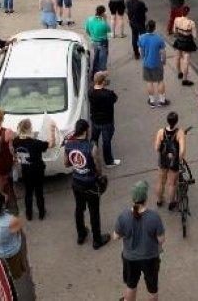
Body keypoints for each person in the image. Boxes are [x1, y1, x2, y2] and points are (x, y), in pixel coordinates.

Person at [109, 180, 165, 301]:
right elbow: (161, 240)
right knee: (152, 288)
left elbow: (116, 236)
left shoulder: (123, 216)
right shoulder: (154, 217)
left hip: (130, 258)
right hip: (150, 258)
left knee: (131, 284)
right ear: (146, 197)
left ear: (132, 197)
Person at [64, 118, 109, 250]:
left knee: (79, 208)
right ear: (86, 130)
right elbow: (98, 167)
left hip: (76, 182)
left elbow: (66, 164)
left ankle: (81, 235)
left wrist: (77, 166)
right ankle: (97, 240)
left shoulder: (68, 145)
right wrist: (99, 177)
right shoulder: (91, 147)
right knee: (94, 212)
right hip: (90, 184)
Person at [0, 191, 27, 295]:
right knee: (10, 277)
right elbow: (18, 232)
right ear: (3, 206)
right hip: (10, 253)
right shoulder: (11, 220)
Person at [14, 118, 54, 221]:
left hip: (26, 170)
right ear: (29, 129)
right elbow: (51, 144)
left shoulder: (16, 141)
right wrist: (52, 130)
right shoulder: (36, 143)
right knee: (39, 192)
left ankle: (29, 214)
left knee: (28, 193)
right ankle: (41, 213)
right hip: (37, 171)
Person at [152, 110, 186, 210]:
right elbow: (182, 149)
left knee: (161, 181)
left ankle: (159, 200)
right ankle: (172, 202)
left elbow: (157, 147)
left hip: (163, 160)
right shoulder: (180, 133)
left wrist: (163, 153)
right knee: (172, 183)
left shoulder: (161, 132)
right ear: (176, 121)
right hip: (174, 160)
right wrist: (178, 159)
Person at [89, 71, 120, 167]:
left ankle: (91, 157)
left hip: (95, 120)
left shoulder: (90, 92)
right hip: (107, 121)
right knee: (106, 141)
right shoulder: (108, 94)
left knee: (94, 139)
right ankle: (109, 161)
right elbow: (115, 99)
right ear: (103, 82)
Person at [138, 20, 169, 107]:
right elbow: (163, 52)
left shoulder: (141, 37)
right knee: (160, 81)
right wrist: (164, 61)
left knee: (149, 81)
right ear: (154, 28)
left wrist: (143, 58)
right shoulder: (159, 38)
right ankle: (162, 100)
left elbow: (141, 50)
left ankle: (152, 101)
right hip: (157, 63)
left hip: (146, 63)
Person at [86, 4, 112, 74]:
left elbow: (87, 30)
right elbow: (110, 34)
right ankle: (101, 77)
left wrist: (91, 37)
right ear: (103, 13)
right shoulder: (103, 23)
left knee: (96, 58)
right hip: (103, 43)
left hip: (94, 41)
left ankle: (94, 73)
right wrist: (105, 20)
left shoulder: (89, 19)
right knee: (102, 60)